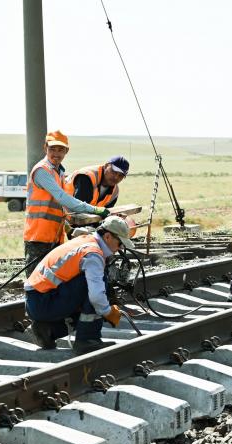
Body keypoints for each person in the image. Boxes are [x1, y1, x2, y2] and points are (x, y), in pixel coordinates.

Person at [24, 216, 134, 355]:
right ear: (107, 236)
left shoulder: (86, 241)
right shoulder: (93, 254)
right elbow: (96, 296)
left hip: (37, 300)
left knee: (89, 302)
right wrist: (108, 312)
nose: (120, 248)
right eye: (120, 244)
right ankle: (88, 340)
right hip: (43, 302)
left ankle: (49, 330)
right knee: (96, 288)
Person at [24, 131, 110, 275]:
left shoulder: (58, 172)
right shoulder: (42, 171)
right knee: (35, 281)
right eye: (52, 149)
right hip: (38, 237)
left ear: (66, 151)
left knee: (51, 281)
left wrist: (68, 229)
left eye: (60, 150)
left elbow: (58, 207)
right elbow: (63, 198)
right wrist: (94, 209)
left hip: (54, 236)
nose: (56, 154)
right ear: (45, 148)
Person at [63, 155, 129, 210]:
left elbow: (106, 212)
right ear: (106, 166)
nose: (116, 177)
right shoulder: (87, 177)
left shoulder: (115, 191)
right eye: (114, 172)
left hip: (84, 219)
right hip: (63, 215)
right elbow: (79, 209)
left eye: (121, 175)